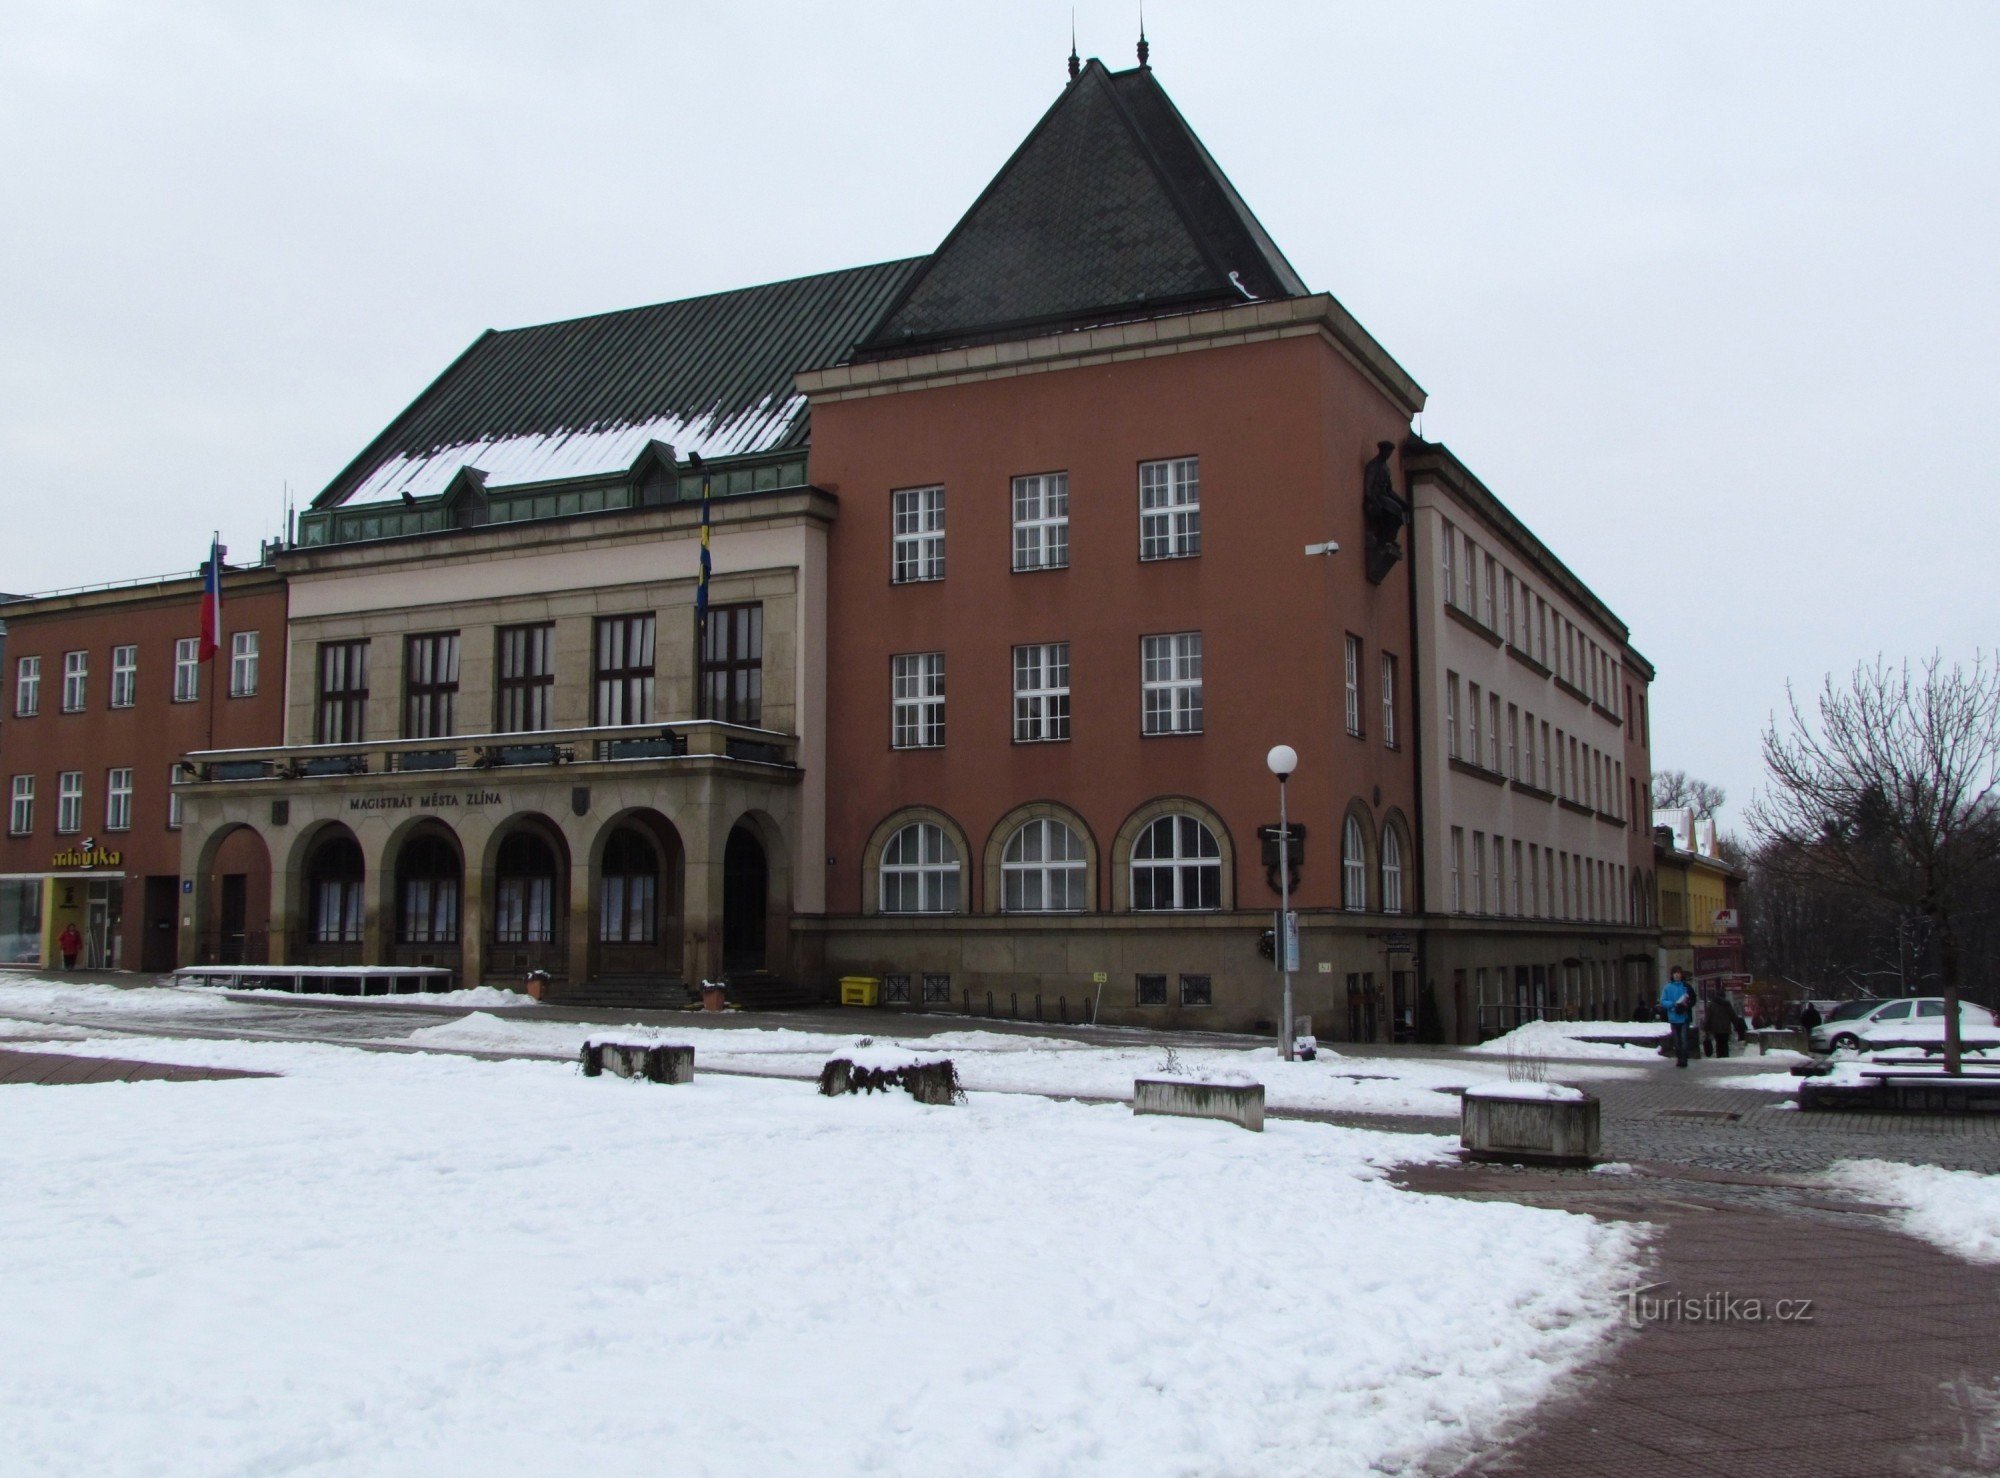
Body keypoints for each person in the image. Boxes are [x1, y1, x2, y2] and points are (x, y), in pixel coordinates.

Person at [1659, 967, 1696, 1068]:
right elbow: (1663, 1001)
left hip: (1684, 1017)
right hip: (1673, 1017)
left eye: (1679, 973)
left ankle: (1684, 1059)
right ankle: (1679, 1058)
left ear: (1681, 975)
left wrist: (1686, 1005)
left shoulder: (1686, 986)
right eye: (1675, 973)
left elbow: (1693, 999)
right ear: (1672, 975)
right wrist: (1673, 1004)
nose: (1677, 975)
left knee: (1684, 1039)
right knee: (1677, 1041)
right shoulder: (1667, 987)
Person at [1703, 989, 1737, 1059]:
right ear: (1724, 996)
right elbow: (1732, 1015)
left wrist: (1706, 1028)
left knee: (1718, 1043)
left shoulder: (1711, 1004)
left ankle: (1720, 1056)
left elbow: (1708, 1018)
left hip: (1716, 1028)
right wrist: (1736, 1024)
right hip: (1726, 1027)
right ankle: (1725, 1056)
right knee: (1725, 1043)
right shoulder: (1727, 1004)